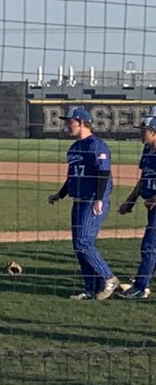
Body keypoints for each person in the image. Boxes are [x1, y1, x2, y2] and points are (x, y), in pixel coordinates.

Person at [47, 106, 119, 300]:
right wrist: (60, 194)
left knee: (84, 242)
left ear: (81, 122)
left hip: (93, 200)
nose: (66, 126)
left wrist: (99, 199)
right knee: (79, 246)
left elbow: (103, 173)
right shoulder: (74, 148)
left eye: (70, 122)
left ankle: (108, 278)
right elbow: (72, 178)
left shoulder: (97, 145)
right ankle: (91, 288)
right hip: (78, 200)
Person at [116, 115, 156, 299]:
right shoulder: (147, 151)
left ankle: (141, 287)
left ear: (154, 132)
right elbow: (143, 180)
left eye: (144, 131)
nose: (141, 134)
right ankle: (145, 277)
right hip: (151, 206)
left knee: (149, 245)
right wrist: (130, 200)